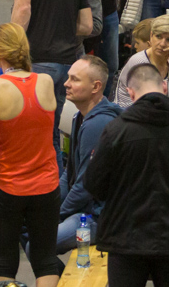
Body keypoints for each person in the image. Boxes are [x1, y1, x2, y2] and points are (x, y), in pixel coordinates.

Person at [83, 59, 169, 287]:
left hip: (125, 238)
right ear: (165, 88)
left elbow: (93, 183)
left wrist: (121, 193)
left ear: (130, 93)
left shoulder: (115, 131)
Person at [0, 23, 63, 287]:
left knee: (4, 262)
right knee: (45, 260)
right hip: (46, 184)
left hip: (6, 184)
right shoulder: (45, 82)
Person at [11, 0, 92, 124]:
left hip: (38, 60)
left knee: (30, 127)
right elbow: (86, 26)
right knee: (52, 129)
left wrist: (11, 48)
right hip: (66, 64)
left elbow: (23, 8)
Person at [56, 54, 120, 252]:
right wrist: (51, 204)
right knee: (29, 227)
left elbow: (85, 184)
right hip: (88, 208)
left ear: (96, 87)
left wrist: (59, 213)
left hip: (100, 217)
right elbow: (71, 171)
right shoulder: (80, 117)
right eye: (68, 77)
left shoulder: (97, 124)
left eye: (75, 79)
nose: (66, 83)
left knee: (38, 245)